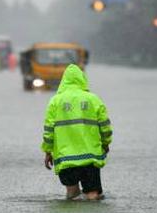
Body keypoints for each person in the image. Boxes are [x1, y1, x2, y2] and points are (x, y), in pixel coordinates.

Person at [41, 64, 113, 200]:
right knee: (92, 195)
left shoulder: (55, 101)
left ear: (64, 81)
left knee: (72, 196)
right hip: (90, 158)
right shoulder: (93, 99)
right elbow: (105, 126)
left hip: (66, 159)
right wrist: (105, 143)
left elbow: (48, 130)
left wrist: (48, 151)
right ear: (82, 79)